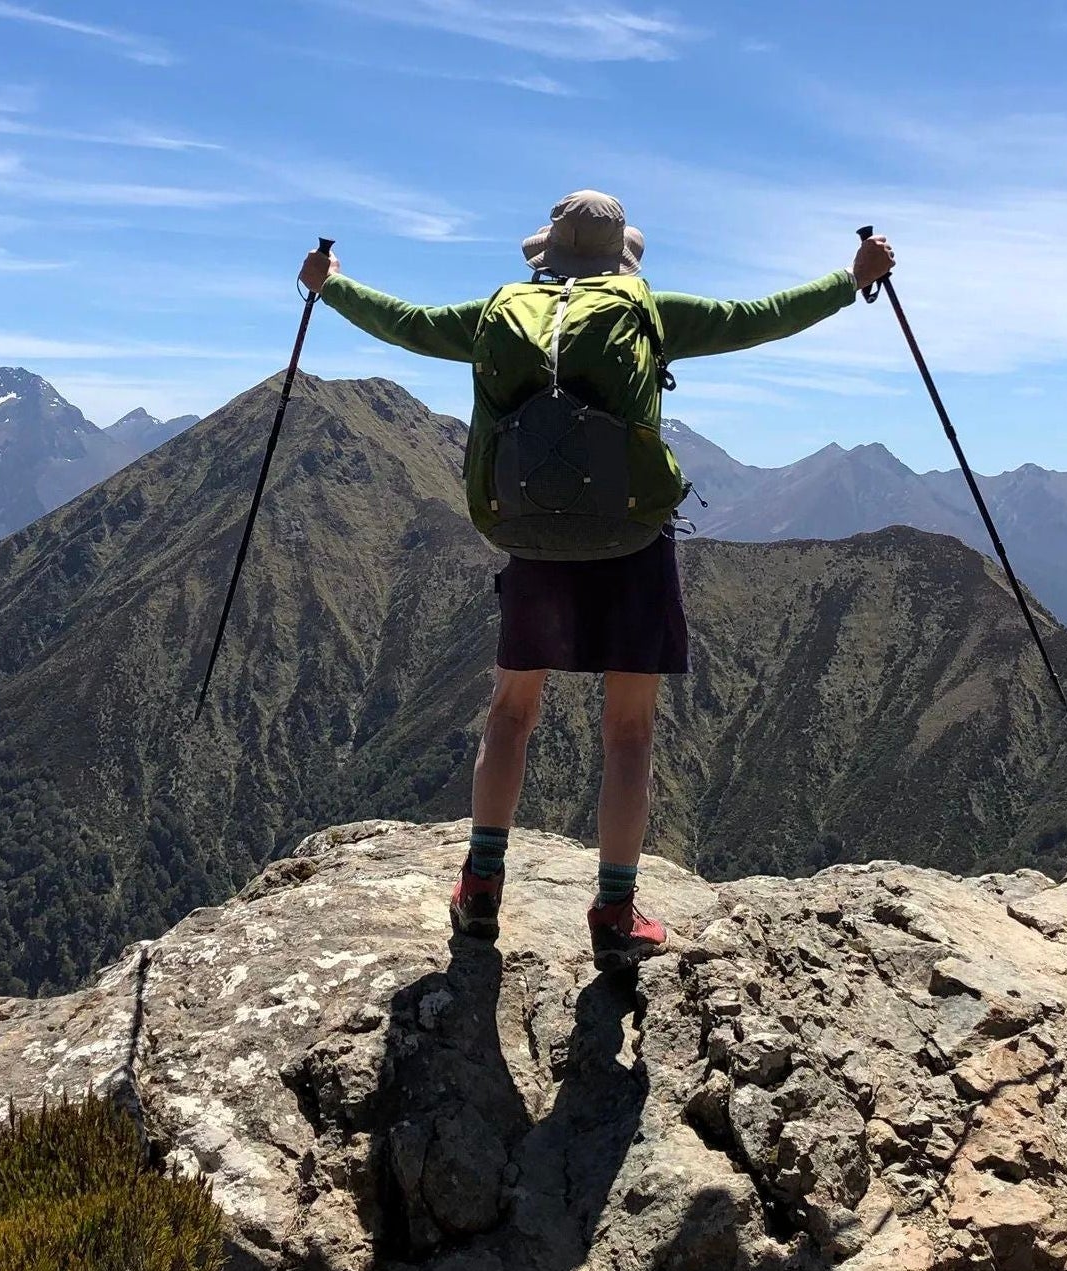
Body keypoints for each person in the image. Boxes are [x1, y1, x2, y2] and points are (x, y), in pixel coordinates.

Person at [300, 189, 894, 970]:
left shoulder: (496, 314)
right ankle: (615, 910)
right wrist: (851, 279)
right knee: (630, 731)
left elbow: (404, 324)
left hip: (532, 540)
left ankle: (480, 887)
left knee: (510, 714)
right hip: (630, 540)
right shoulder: (647, 310)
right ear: (620, 256)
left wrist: (330, 282)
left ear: (548, 254)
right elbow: (760, 314)